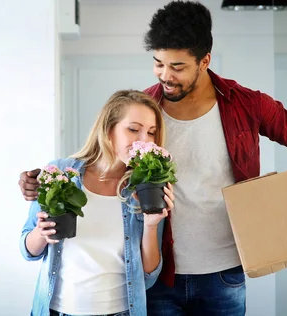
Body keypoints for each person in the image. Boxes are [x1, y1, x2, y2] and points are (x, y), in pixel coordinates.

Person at [19, 1, 287, 315]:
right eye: (158, 63)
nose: (165, 75)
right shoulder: (147, 112)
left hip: (224, 274)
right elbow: (103, 162)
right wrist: (47, 180)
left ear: (205, 61)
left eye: (178, 66)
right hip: (158, 278)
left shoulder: (247, 105)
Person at [20, 90, 175, 316]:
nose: (144, 141)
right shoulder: (62, 172)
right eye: (133, 129)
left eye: (151, 133)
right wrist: (41, 233)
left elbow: (149, 276)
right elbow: (27, 250)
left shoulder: (147, 186)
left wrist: (151, 225)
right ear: (108, 129)